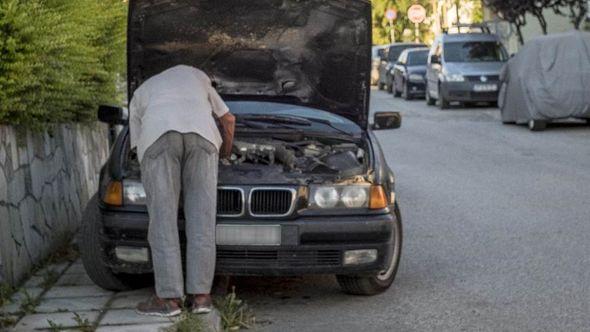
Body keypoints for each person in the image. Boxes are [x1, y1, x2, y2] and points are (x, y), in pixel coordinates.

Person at [129, 65, 235, 317]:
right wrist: (226, 153)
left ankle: (168, 299)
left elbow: (136, 143)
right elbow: (228, 119)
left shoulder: (144, 89)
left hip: (158, 135)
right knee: (202, 218)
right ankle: (201, 298)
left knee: (163, 220)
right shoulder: (199, 79)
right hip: (203, 138)